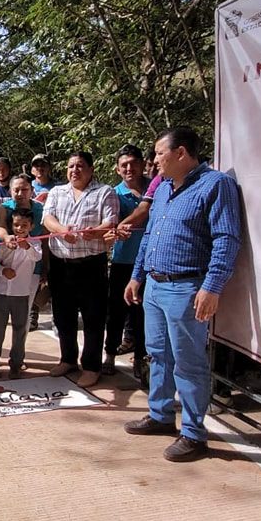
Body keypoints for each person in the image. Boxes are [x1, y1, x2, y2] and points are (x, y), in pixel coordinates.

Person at [124, 127, 242, 462]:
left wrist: (212, 286)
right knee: (158, 354)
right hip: (156, 286)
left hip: (187, 288)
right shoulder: (162, 189)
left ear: (182, 153)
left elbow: (226, 239)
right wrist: (137, 276)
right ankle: (161, 416)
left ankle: (193, 434)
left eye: (160, 153)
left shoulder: (216, 185)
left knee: (189, 362)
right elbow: (149, 236)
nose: (154, 160)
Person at [42, 152, 119, 388]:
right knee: (63, 316)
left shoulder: (105, 192)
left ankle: (92, 366)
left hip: (91, 265)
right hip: (60, 264)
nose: (74, 170)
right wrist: (63, 230)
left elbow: (111, 222)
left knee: (93, 318)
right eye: (71, 166)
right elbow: (47, 218)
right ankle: (68, 359)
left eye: (80, 166)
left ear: (91, 169)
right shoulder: (56, 192)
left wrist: (93, 231)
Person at [102, 145, 149, 381]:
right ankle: (109, 354)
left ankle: (141, 358)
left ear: (142, 164)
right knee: (116, 312)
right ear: (118, 169)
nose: (129, 168)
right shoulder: (113, 194)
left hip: (152, 264)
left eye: (133, 163)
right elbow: (107, 227)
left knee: (144, 314)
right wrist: (112, 233)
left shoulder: (157, 188)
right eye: (124, 165)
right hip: (123, 261)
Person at [0, 208, 41, 379]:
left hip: (21, 293)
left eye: (24, 225)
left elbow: (36, 257)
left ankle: (16, 363)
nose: (20, 229)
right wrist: (4, 271)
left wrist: (26, 246)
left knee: (20, 329)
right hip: (2, 291)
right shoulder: (5, 243)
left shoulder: (36, 243)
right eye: (16, 225)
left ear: (31, 226)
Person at [0, 175, 47, 331]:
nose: (20, 193)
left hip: (32, 267)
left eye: (24, 189)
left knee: (23, 313)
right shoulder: (4, 208)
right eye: (16, 190)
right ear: (10, 191)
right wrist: (6, 237)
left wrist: (45, 268)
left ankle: (18, 353)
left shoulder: (42, 209)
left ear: (31, 190)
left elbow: (45, 240)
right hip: (2, 265)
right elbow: (0, 227)